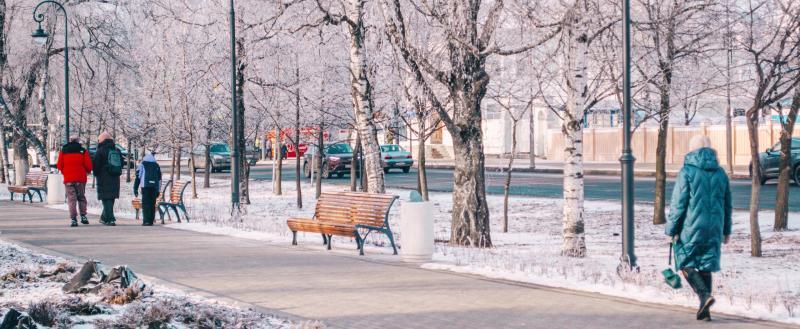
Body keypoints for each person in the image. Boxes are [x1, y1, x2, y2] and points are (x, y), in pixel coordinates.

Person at [666, 135, 732, 321]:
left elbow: (678, 204)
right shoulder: (721, 173)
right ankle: (705, 312)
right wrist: (726, 230)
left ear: (692, 149)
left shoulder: (687, 171)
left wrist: (671, 230)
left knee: (685, 261)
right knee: (705, 265)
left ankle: (704, 296)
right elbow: (727, 204)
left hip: (691, 226)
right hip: (714, 227)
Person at [56, 137, 93, 227]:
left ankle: (73, 219)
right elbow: (89, 165)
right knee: (81, 197)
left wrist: (65, 172)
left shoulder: (63, 151)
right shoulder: (83, 151)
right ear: (78, 141)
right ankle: (83, 216)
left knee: (71, 199)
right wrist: (87, 171)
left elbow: (59, 165)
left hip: (68, 179)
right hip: (80, 178)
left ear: (69, 141)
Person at [92, 132, 122, 226]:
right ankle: (104, 218)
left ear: (102, 140)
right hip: (115, 176)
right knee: (111, 198)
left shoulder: (100, 150)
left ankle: (110, 219)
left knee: (106, 199)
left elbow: (96, 165)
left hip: (103, 177)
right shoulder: (117, 150)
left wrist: (96, 173)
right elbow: (121, 163)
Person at [133, 152, 162, 226]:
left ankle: (146, 221)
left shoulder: (142, 164)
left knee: (146, 203)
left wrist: (135, 188)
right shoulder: (156, 165)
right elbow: (159, 179)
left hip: (145, 186)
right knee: (152, 203)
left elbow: (138, 177)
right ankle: (151, 221)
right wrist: (158, 190)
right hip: (154, 187)